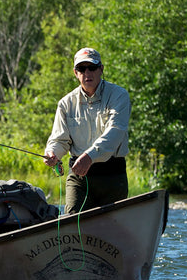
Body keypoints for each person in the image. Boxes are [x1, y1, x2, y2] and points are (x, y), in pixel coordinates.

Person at [43, 47, 130, 214]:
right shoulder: (65, 103)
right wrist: (52, 153)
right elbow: (59, 139)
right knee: (72, 224)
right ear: (75, 73)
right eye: (82, 69)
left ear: (101, 69)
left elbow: (115, 132)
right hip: (79, 177)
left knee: (113, 230)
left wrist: (90, 156)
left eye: (92, 67)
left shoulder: (119, 95)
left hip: (113, 174)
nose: (87, 73)